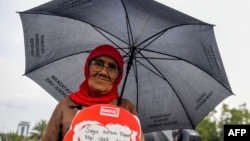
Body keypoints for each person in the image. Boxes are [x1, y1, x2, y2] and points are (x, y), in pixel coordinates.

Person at [41, 44, 145, 141]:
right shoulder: (66, 105)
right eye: (98, 64)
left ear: (119, 76)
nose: (103, 72)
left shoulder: (126, 108)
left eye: (112, 67)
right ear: (88, 67)